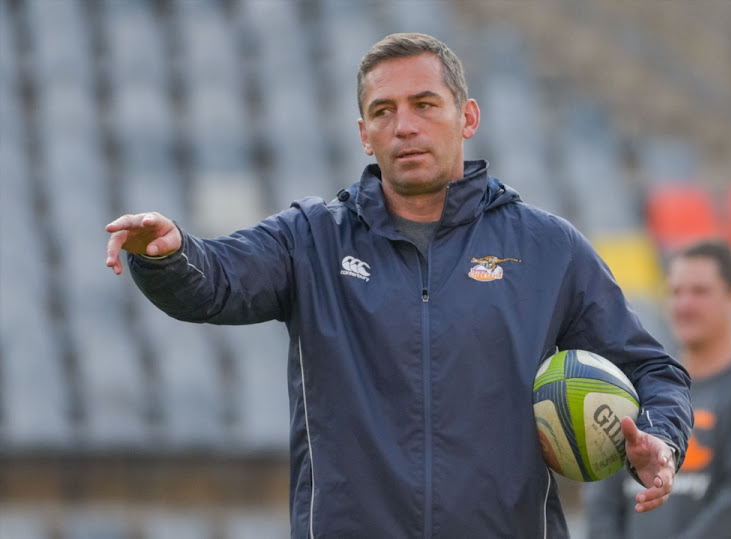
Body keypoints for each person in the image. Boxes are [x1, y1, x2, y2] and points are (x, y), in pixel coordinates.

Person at [105, 33, 692, 538]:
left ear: (468, 117)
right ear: (364, 134)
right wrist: (169, 254)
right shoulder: (312, 237)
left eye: (424, 104)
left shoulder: (547, 247)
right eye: (383, 111)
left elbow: (654, 371)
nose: (404, 125)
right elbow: (216, 282)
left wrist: (661, 442)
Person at [585, 239, 731, 539]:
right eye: (676, 292)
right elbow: (604, 502)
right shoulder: (642, 386)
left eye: (699, 292)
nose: (684, 304)